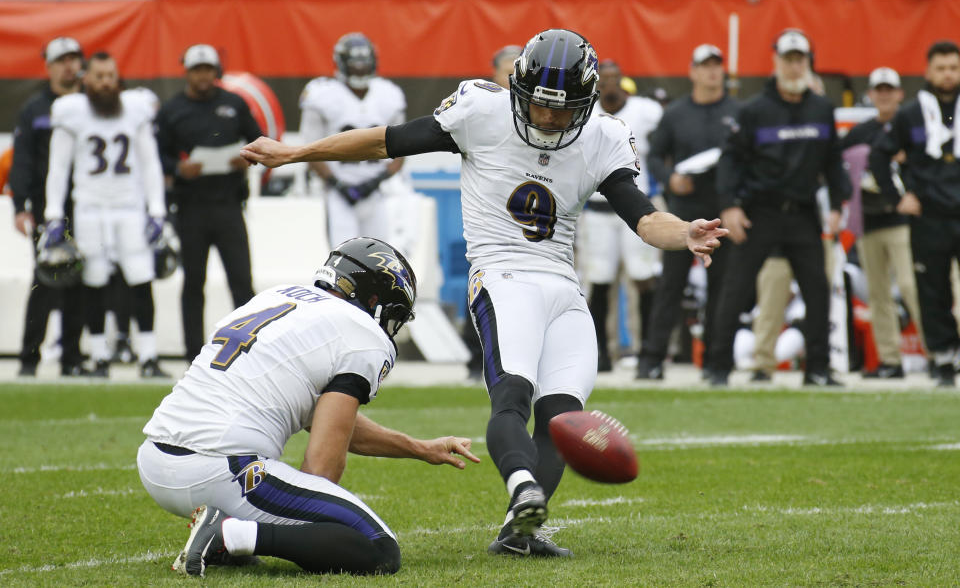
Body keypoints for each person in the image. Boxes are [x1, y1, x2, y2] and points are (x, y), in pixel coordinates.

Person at [240, 28, 726, 557]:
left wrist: (684, 233)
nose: (547, 118)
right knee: (513, 394)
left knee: (565, 416)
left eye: (562, 110)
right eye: (540, 104)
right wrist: (295, 153)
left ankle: (521, 534)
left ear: (586, 103)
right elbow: (385, 140)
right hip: (501, 274)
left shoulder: (603, 136)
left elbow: (643, 215)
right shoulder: (482, 112)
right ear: (519, 89)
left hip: (562, 284)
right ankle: (523, 492)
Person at [137, 237, 480, 577]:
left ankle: (231, 528)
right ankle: (228, 534)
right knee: (378, 547)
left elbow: (326, 418)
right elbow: (322, 463)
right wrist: (310, 528)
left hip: (155, 461)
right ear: (374, 299)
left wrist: (420, 448)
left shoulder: (275, 296)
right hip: (223, 468)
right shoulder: (363, 334)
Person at [710, 29, 850, 387]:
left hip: (803, 212)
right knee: (737, 288)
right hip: (761, 211)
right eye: (787, 59)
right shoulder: (754, 110)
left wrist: (838, 201)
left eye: (799, 59)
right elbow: (731, 160)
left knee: (817, 290)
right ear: (776, 62)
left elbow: (834, 161)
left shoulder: (822, 108)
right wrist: (730, 205)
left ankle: (817, 368)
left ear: (808, 63)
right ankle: (718, 366)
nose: (793, 66)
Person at [42, 51, 169, 378]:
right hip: (90, 207)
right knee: (94, 280)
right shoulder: (72, 111)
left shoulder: (135, 109)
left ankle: (149, 356)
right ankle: (99, 356)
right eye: (99, 76)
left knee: (141, 278)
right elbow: (58, 168)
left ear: (118, 77)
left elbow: (150, 162)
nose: (105, 83)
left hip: (129, 206)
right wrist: (53, 214)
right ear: (87, 78)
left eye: (110, 76)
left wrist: (156, 210)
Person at [636, 44, 740, 380]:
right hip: (682, 216)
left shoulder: (738, 112)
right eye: (704, 66)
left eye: (716, 65)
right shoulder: (677, 113)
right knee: (671, 286)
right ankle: (652, 360)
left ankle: (716, 362)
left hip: (722, 213)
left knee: (722, 290)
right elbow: (653, 155)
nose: (712, 72)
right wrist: (670, 179)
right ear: (693, 71)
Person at [157, 44, 261, 362]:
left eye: (208, 69)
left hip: (229, 204)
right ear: (187, 72)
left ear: (216, 71)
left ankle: (252, 350)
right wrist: (178, 168)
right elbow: (157, 155)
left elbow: (258, 139)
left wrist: (247, 157)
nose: (203, 75)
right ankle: (193, 353)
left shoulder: (234, 103)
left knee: (242, 281)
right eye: (197, 69)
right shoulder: (173, 110)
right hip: (191, 207)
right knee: (193, 283)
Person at [870, 40, 960, 387]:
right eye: (941, 68)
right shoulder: (910, 114)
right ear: (928, 71)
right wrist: (897, 198)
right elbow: (879, 155)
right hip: (930, 215)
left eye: (953, 67)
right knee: (932, 289)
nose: (948, 75)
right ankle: (942, 357)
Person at [8, 36, 88, 377]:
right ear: (50, 66)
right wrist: (20, 207)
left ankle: (71, 357)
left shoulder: (92, 104)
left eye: (73, 58)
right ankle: (29, 358)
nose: (69, 65)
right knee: (45, 282)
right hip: (48, 209)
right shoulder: (36, 108)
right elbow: (23, 160)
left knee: (81, 284)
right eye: (62, 60)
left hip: (87, 206)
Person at [579, 60, 664, 372]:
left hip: (638, 206)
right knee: (599, 282)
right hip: (598, 210)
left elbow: (666, 140)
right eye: (606, 79)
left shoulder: (645, 111)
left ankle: (648, 352)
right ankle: (601, 353)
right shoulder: (586, 110)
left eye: (616, 78)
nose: (611, 84)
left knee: (643, 277)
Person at [842, 67, 921, 379]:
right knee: (878, 294)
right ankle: (890, 359)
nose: (885, 95)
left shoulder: (914, 126)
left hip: (904, 220)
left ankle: (941, 353)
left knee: (910, 286)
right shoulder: (859, 132)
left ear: (900, 93)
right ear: (872, 94)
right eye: (880, 89)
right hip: (870, 220)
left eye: (890, 89)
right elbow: (839, 164)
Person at [299, 33, 407, 248]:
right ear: (342, 64)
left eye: (364, 64)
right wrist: (337, 184)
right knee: (343, 258)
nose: (360, 70)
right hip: (338, 192)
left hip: (376, 192)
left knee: (380, 258)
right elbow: (310, 149)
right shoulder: (322, 95)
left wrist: (374, 183)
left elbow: (401, 151)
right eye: (355, 65)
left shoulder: (388, 94)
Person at [464, 43, 524, 382]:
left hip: (532, 223)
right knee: (482, 286)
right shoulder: (482, 110)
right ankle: (476, 359)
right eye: (509, 70)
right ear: (494, 74)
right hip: (490, 219)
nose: (516, 77)